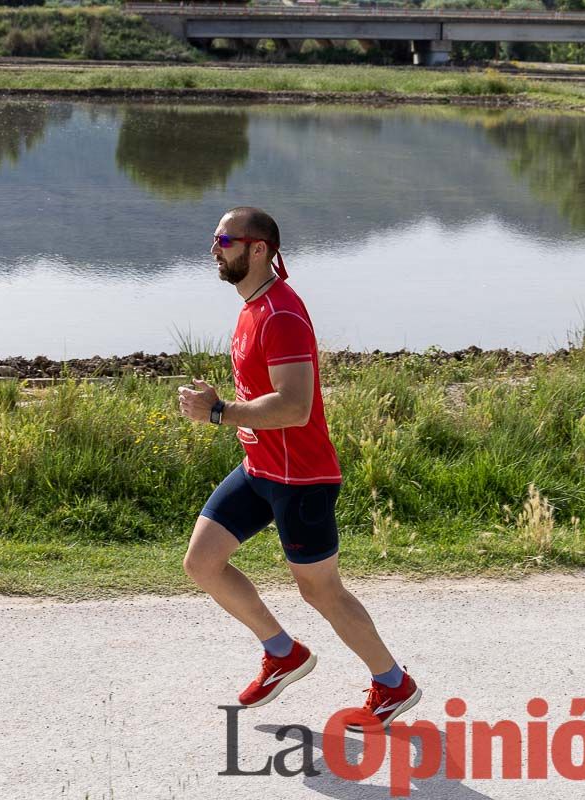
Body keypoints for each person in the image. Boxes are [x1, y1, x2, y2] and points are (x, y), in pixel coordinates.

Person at [177, 206, 421, 730]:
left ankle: (393, 684)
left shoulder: (281, 315)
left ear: (258, 248)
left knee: (320, 590)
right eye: (215, 239)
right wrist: (225, 408)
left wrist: (220, 413)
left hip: (302, 479)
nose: (215, 248)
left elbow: (295, 406)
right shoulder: (252, 306)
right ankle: (282, 653)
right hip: (260, 468)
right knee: (202, 562)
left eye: (224, 239)